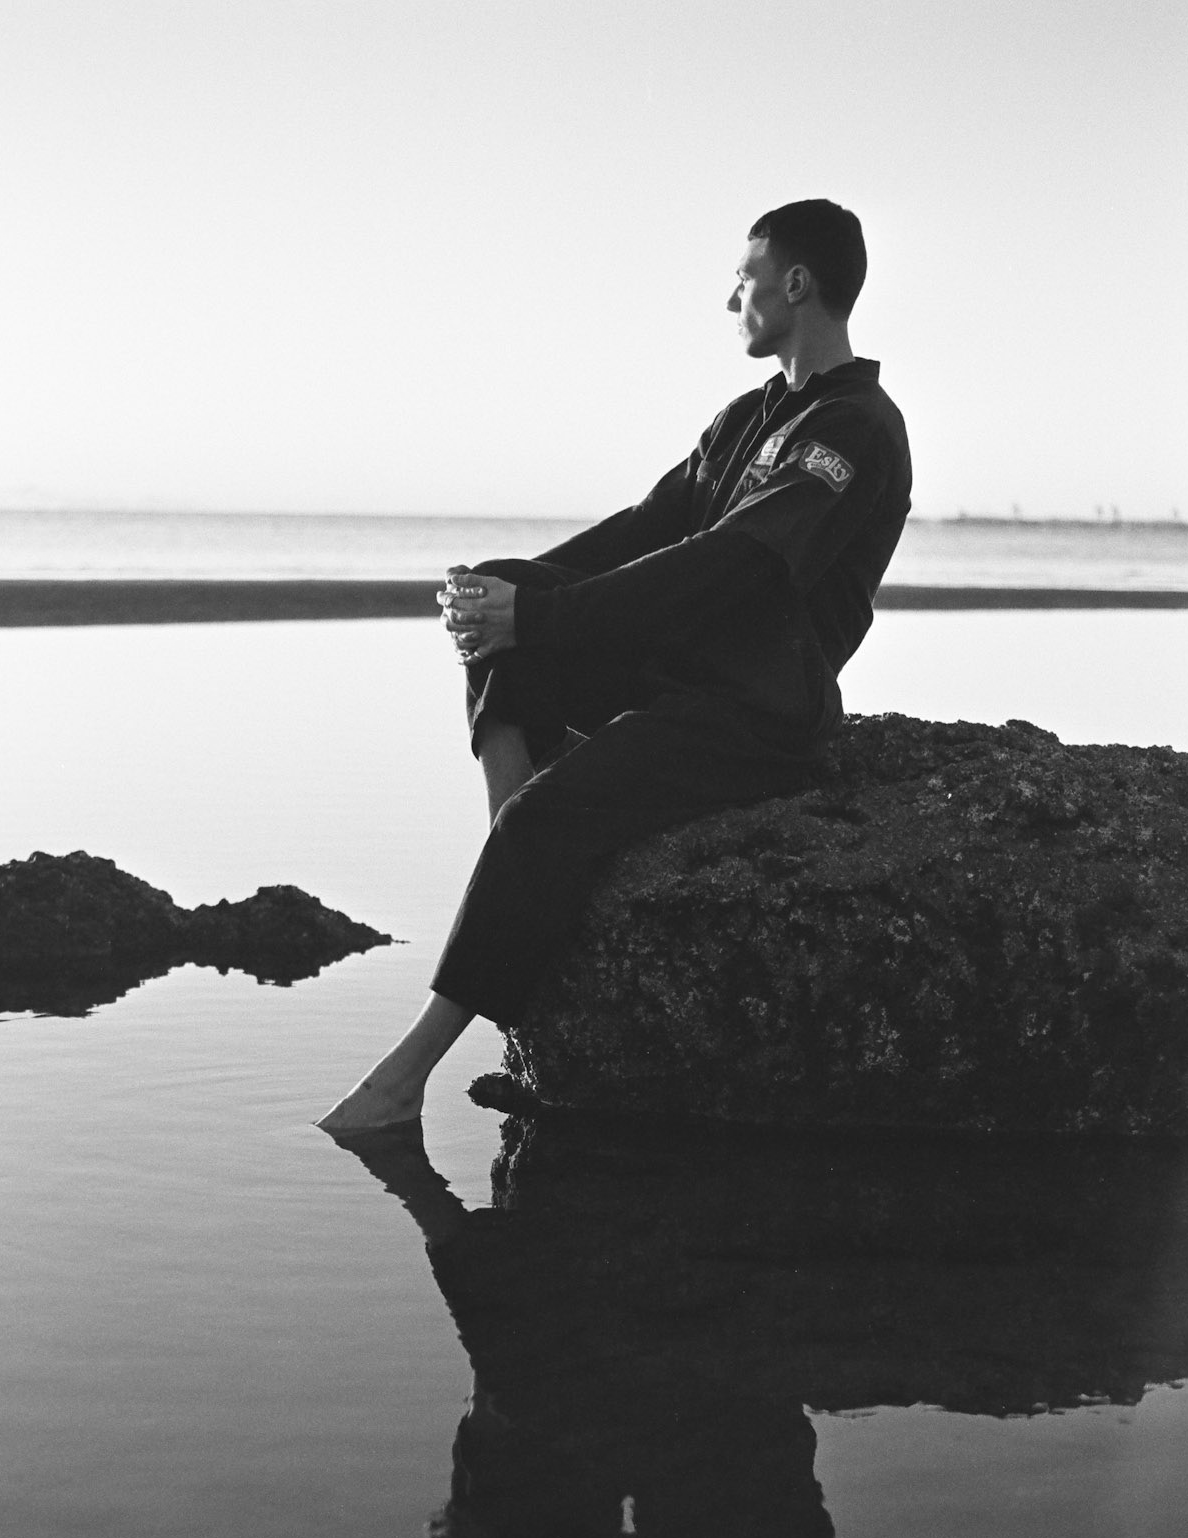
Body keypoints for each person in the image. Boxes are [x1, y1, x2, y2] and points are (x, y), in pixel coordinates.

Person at [319, 197, 911, 1133]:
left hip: (758, 716)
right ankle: (520, 868)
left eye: (745, 280)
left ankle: (402, 1083)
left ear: (796, 285)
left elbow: (730, 567)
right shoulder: (749, 418)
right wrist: (508, 591)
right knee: (512, 621)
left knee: (547, 813)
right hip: (683, 676)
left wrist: (544, 618)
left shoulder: (853, 432)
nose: (733, 302)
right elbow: (649, 529)